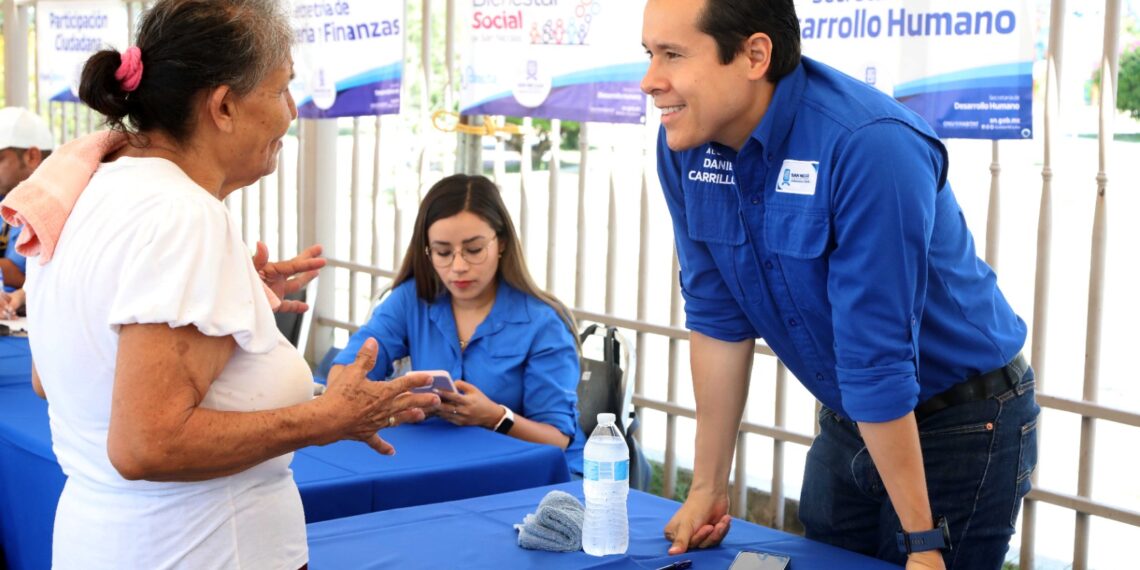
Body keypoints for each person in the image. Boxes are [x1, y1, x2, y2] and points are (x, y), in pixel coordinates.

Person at [14, 1, 440, 568]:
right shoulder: (182, 215)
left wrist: (232, 294)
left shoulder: (86, 190)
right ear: (224, 106)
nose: (292, 111)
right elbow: (146, 445)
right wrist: (328, 417)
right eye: (282, 89)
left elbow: (57, 376)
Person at [640, 1, 1038, 568]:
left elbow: (874, 357)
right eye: (649, 54)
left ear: (755, 54)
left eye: (673, 55)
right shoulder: (686, 142)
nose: (650, 81)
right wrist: (707, 485)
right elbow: (716, 316)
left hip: (964, 420)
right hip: (852, 414)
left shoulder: (869, 145)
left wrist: (923, 544)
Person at [330, 174, 587, 475]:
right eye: (442, 252)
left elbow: (557, 439)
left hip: (535, 475)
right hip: (441, 465)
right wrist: (390, 398)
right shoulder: (411, 300)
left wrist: (494, 417)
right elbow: (343, 378)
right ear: (427, 252)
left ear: (501, 243)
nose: (459, 266)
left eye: (474, 250)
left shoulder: (543, 323)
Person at [0, 106, 54, 294]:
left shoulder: (51, 202)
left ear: (32, 156)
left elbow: (20, 275)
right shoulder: (6, 196)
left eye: (0, 159)